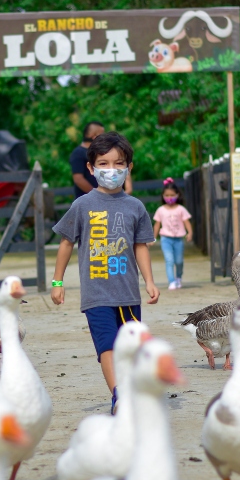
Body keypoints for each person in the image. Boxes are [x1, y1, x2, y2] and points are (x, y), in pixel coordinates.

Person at [50, 131, 160, 415]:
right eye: (104, 164)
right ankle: (119, 394)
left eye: (118, 163)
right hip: (96, 294)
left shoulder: (135, 207)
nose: (111, 170)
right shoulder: (82, 205)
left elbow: (141, 246)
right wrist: (57, 281)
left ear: (129, 167)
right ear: (91, 168)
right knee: (107, 346)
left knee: (130, 347)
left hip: (127, 293)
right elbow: (65, 243)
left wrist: (149, 280)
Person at [69, 120, 132, 197]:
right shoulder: (78, 153)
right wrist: (98, 196)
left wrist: (126, 191)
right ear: (94, 136)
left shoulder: (105, 152)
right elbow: (78, 179)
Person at [152, 179, 193, 290]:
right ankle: (172, 281)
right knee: (169, 260)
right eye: (167, 195)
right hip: (166, 239)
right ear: (163, 196)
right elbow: (157, 224)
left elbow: (186, 222)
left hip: (179, 239)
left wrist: (190, 233)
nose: (169, 197)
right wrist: (153, 237)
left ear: (177, 195)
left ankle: (178, 277)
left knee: (179, 261)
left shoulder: (181, 209)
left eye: (172, 195)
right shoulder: (160, 210)